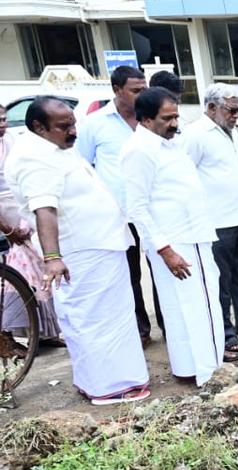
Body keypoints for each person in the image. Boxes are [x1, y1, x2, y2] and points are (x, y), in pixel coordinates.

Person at [6, 96, 149, 405]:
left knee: (107, 317)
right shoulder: (33, 157)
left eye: (73, 124)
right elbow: (44, 208)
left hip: (98, 246)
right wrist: (53, 258)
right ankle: (110, 386)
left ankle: (94, 382)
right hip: (82, 250)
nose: (73, 131)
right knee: (95, 320)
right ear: (38, 127)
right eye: (64, 126)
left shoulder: (54, 147)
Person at [121, 87, 225, 384]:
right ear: (145, 119)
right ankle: (210, 372)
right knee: (195, 306)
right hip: (175, 242)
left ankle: (194, 368)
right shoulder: (138, 150)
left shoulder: (168, 142)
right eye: (167, 118)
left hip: (190, 235)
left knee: (191, 306)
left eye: (176, 116)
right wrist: (166, 250)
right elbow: (137, 208)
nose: (175, 123)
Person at [75, 65, 163, 345]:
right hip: (118, 215)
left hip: (154, 211)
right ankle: (139, 328)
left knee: (163, 267)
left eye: (144, 89)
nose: (142, 95)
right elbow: (83, 168)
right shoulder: (95, 124)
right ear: (116, 90)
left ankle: (169, 323)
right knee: (129, 274)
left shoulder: (152, 121)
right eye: (136, 90)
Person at [184, 83, 238, 358]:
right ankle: (225, 331)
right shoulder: (195, 134)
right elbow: (186, 177)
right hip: (216, 220)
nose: (236, 115)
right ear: (211, 107)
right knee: (221, 279)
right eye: (232, 110)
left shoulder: (236, 132)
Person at [0, 102, 63, 351]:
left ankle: (45, 332)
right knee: (10, 279)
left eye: (4, 119)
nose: (2, 124)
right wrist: (6, 229)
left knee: (36, 273)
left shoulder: (12, 142)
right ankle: (8, 337)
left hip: (19, 213)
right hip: (5, 225)